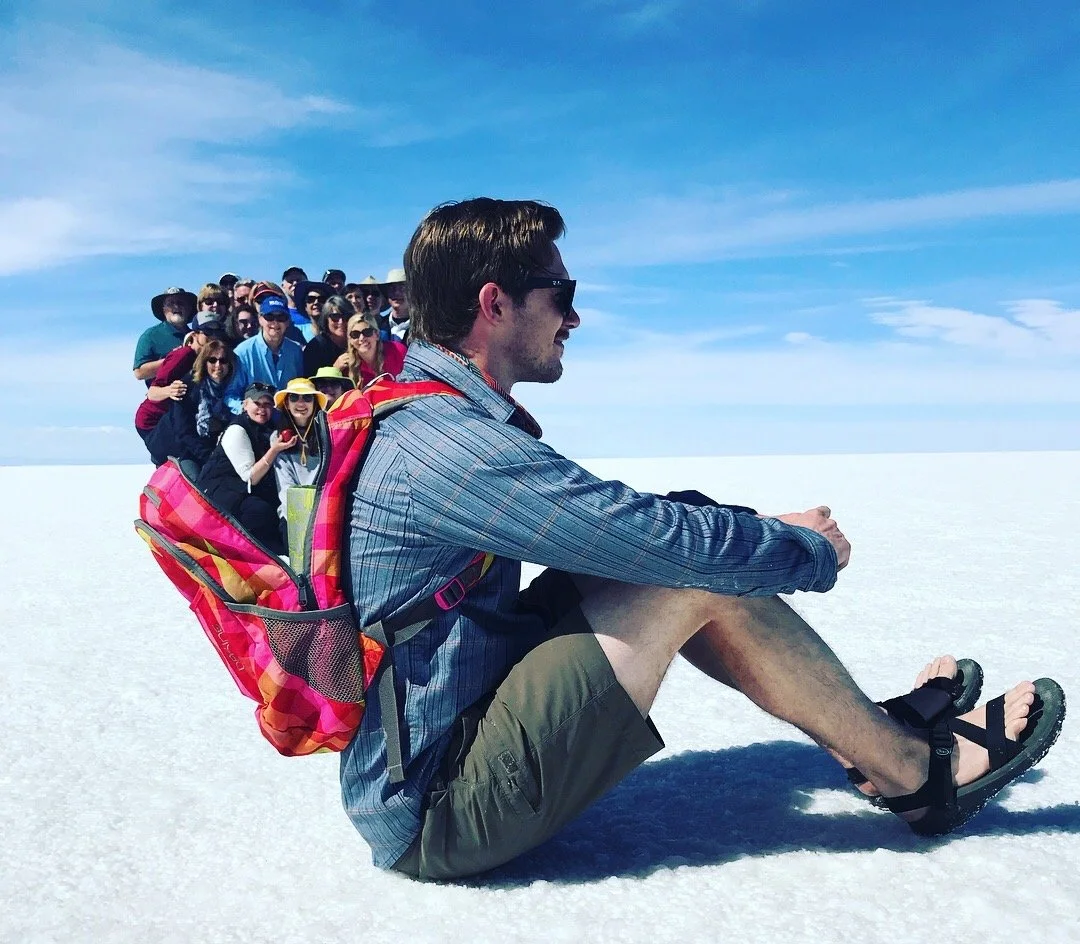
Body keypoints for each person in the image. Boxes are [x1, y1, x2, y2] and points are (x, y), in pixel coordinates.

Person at [340, 197, 1063, 881]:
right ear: (495, 304)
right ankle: (915, 773)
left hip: (443, 736)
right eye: (560, 293)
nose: (576, 316)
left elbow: (631, 522)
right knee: (689, 567)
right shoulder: (446, 448)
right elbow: (651, 542)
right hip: (438, 809)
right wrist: (799, 552)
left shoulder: (423, 417)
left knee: (689, 537)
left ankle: (865, 735)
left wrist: (753, 530)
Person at [198, 382, 293, 554]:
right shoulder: (237, 430)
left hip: (242, 491)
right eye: (257, 404)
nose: (262, 409)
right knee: (260, 512)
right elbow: (250, 477)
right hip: (219, 494)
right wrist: (274, 450)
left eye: (267, 405)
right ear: (245, 404)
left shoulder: (267, 429)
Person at [135, 313, 228, 453]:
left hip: (176, 418)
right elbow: (152, 393)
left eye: (216, 333)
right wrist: (169, 390)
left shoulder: (210, 360)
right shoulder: (183, 356)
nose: (212, 338)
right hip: (153, 422)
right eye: (207, 332)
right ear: (195, 334)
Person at [143, 337, 236, 468]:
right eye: (212, 360)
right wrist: (209, 458)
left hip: (200, 449)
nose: (218, 365)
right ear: (204, 362)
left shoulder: (230, 390)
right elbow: (183, 430)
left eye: (223, 361)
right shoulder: (187, 387)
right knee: (201, 483)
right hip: (175, 449)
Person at [225, 296, 304, 411]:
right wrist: (245, 409)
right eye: (269, 316)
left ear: (288, 322)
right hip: (254, 420)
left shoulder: (296, 351)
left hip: (288, 418)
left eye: (281, 317)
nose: (275, 322)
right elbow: (230, 396)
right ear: (260, 319)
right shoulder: (242, 352)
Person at [271, 377, 326, 524]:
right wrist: (300, 516)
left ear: (314, 404)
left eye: (307, 398)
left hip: (322, 510)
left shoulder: (326, 434)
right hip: (292, 514)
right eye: (294, 397)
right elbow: (285, 484)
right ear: (287, 404)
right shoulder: (277, 437)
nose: (301, 403)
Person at [133, 286, 196, 382]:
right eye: (171, 303)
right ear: (164, 309)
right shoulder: (151, 335)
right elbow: (139, 372)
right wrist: (173, 359)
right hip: (163, 394)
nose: (176, 306)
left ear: (189, 308)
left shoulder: (197, 337)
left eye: (181, 303)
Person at [339, 312, 405, 387]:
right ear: (350, 340)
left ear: (377, 334)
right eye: (355, 334)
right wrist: (336, 369)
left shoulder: (398, 350)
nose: (362, 338)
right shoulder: (347, 365)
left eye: (367, 332)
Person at [302, 295, 354, 376]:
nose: (341, 322)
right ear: (326, 319)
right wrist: (335, 369)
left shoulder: (357, 340)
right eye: (335, 317)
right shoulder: (316, 347)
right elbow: (310, 383)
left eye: (346, 316)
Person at [380, 268, 410, 343]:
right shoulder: (378, 326)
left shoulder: (425, 328)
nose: (396, 292)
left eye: (402, 287)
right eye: (392, 288)